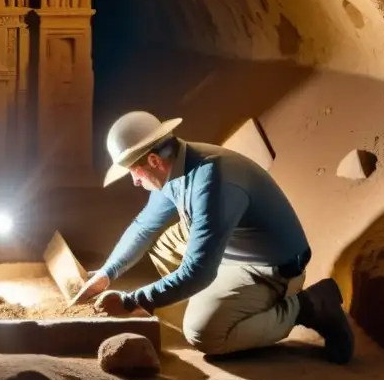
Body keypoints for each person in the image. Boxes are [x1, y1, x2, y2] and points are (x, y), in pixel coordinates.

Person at [72, 111, 354, 364]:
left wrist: (134, 301)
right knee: (164, 247)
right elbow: (144, 226)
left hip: (270, 268)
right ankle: (215, 302)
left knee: (203, 334)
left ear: (154, 160)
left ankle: (308, 306)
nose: (135, 182)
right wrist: (107, 274)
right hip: (234, 241)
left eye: (135, 173)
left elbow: (198, 272)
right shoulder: (177, 163)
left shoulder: (213, 181)